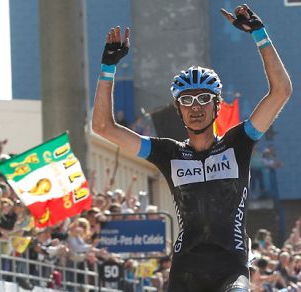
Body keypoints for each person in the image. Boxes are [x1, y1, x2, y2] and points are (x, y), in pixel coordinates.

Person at [91, 5, 292, 292]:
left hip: (231, 270)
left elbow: (281, 91)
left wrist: (260, 34)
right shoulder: (168, 153)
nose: (195, 108)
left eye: (203, 99)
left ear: (216, 106)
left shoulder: (239, 143)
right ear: (178, 110)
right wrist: (108, 67)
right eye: (187, 101)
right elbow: (102, 128)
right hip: (186, 271)